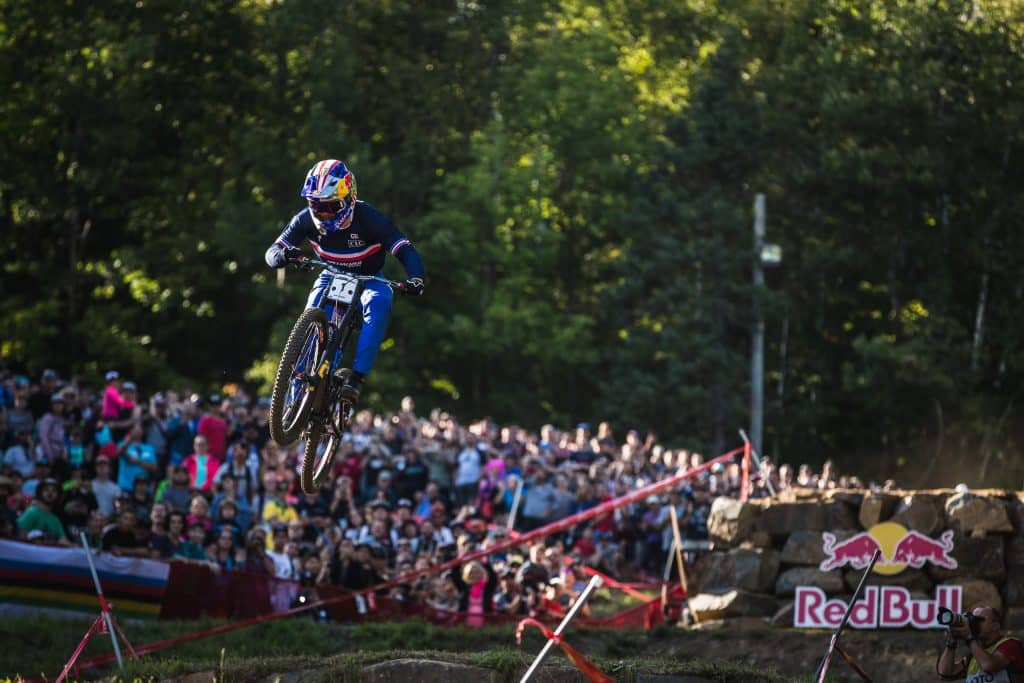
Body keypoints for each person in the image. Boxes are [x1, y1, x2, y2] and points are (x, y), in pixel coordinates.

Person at [263, 159, 425, 403]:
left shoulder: (369, 218)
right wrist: (284, 255)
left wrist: (416, 278)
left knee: (380, 302)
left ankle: (356, 378)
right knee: (310, 317)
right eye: (316, 206)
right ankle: (296, 393)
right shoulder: (304, 219)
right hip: (330, 273)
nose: (323, 213)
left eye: (330, 206)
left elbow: (404, 249)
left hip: (369, 279)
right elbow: (272, 251)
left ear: (349, 198)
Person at [938, 605, 1024, 682]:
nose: (974, 623)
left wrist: (969, 637)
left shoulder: (1011, 644)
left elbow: (989, 665)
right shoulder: (975, 654)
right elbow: (946, 674)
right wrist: (951, 643)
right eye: (972, 619)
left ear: (995, 626)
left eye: (979, 620)